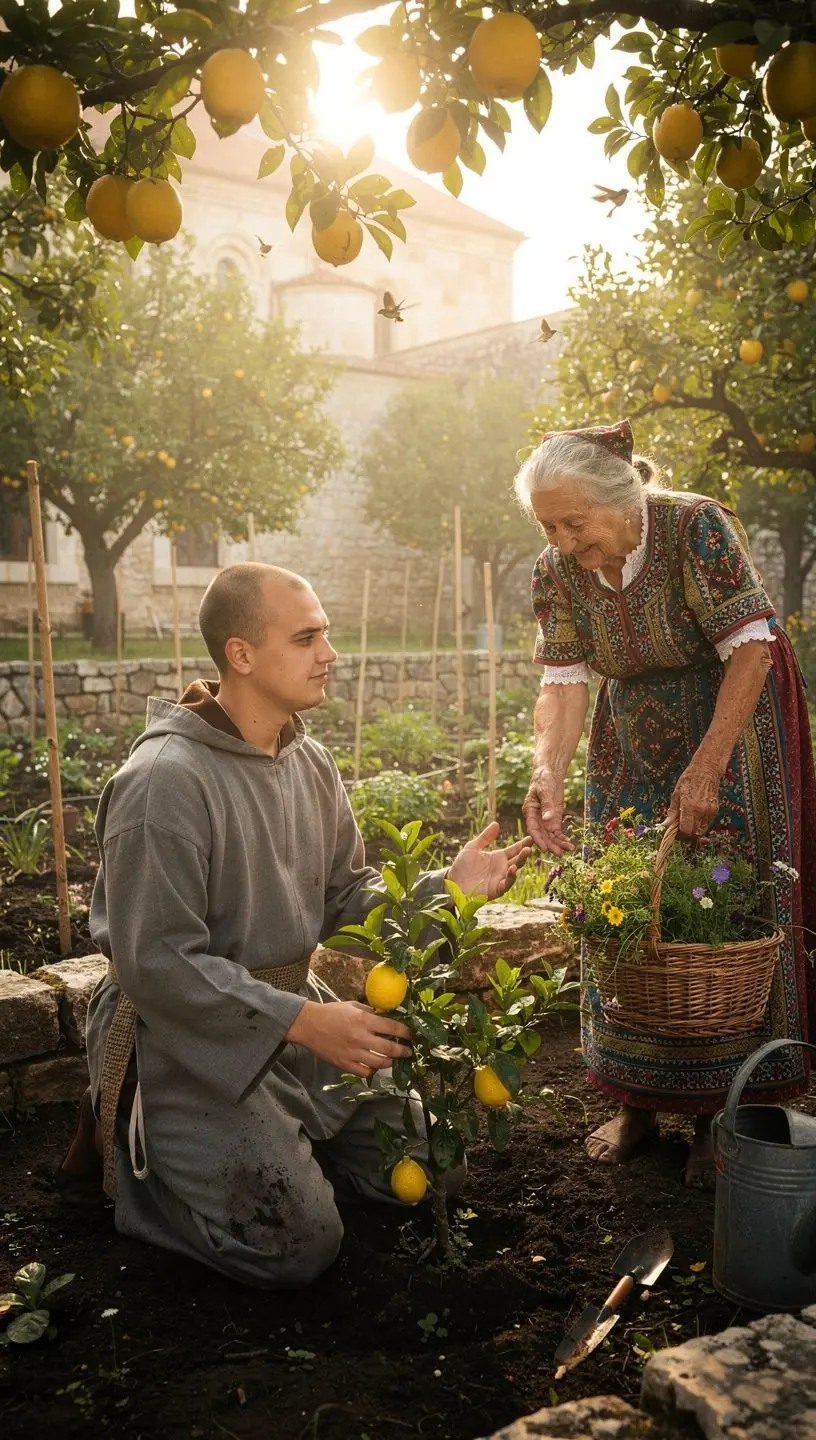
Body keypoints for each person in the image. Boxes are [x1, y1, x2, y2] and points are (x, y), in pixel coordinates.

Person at [58, 564, 531, 1288]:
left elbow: (347, 897)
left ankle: (278, 1149)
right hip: (182, 1037)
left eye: (327, 635)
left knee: (438, 1168)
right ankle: (140, 1176)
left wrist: (447, 890)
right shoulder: (164, 783)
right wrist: (305, 1022)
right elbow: (158, 962)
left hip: (292, 1024)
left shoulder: (307, 762)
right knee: (299, 1247)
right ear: (242, 655)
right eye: (307, 637)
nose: (329, 654)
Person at [515, 420, 816, 1187]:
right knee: (619, 896)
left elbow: (751, 646)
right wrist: (545, 771)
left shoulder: (694, 526)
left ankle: (724, 1114)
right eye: (548, 524)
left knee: (729, 902)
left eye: (573, 521)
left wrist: (708, 766)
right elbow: (563, 680)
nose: (562, 539)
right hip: (633, 722)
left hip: (732, 713)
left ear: (625, 500)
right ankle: (637, 1103)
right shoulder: (558, 568)